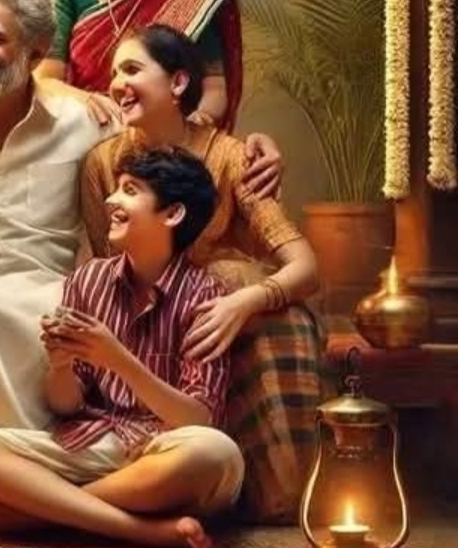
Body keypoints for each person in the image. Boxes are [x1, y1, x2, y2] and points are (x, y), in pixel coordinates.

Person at [0, 0, 281, 479]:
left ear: (34, 52)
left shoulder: (88, 123)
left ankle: (22, 485)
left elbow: (165, 134)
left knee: (209, 452)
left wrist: (251, 148)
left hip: (53, 284)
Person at [79, 24, 323, 522]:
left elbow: (305, 266)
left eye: (132, 69)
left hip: (216, 308)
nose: (117, 84)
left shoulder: (232, 157)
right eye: (114, 73)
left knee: (281, 314)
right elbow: (109, 267)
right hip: (143, 311)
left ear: (178, 83)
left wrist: (244, 301)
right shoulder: (102, 163)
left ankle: (271, 494)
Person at [0, 147, 241, 548]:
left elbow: (199, 420)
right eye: (116, 189)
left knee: (216, 454)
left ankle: (40, 513)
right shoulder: (89, 280)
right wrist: (60, 366)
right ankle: (142, 531)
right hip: (92, 445)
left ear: (172, 214)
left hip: (162, 454)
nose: (111, 201)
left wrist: (117, 359)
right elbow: (66, 404)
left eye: (130, 191)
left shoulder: (205, 296)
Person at [36, 0, 242, 128]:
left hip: (168, 140)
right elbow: (44, 80)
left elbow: (214, 87)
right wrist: (87, 101)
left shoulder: (191, 2)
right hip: (90, 127)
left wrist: (198, 121)